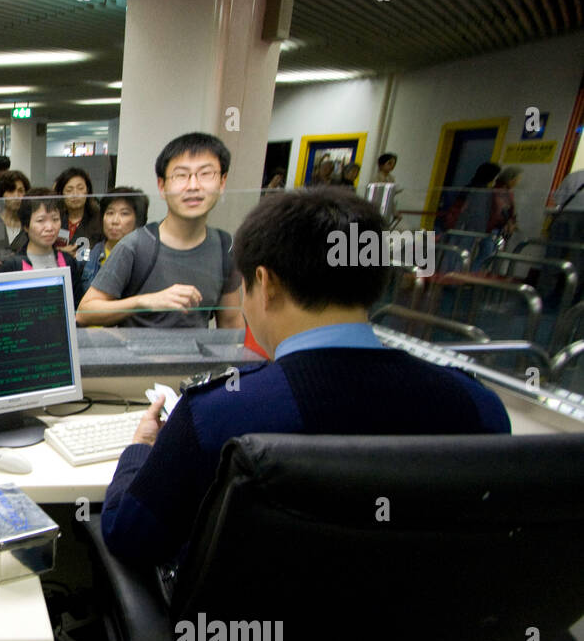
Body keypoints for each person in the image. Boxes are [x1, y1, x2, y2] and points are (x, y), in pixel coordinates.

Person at [100, 187, 511, 589]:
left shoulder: (218, 414)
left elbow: (130, 537)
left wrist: (139, 449)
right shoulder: (478, 407)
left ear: (266, 282)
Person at [78, 132, 243, 330]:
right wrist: (144, 302)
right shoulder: (136, 245)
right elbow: (85, 312)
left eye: (206, 174)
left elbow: (231, 321)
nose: (193, 186)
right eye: (181, 175)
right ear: (162, 186)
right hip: (136, 359)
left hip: (198, 359)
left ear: (222, 182)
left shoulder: (224, 246)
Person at [0, 189, 84, 302]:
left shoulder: (68, 261)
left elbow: (77, 305)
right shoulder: (13, 266)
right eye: (40, 220)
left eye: (55, 219)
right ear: (26, 226)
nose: (49, 227)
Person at [79, 187, 149, 299]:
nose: (115, 221)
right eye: (110, 213)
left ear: (138, 220)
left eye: (124, 213)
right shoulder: (90, 254)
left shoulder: (147, 258)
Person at [53, 167, 102, 260]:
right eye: (69, 190)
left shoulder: (99, 220)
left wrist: (79, 255)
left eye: (80, 188)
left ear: (87, 190)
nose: (75, 194)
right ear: (61, 193)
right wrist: (59, 252)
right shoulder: (55, 219)